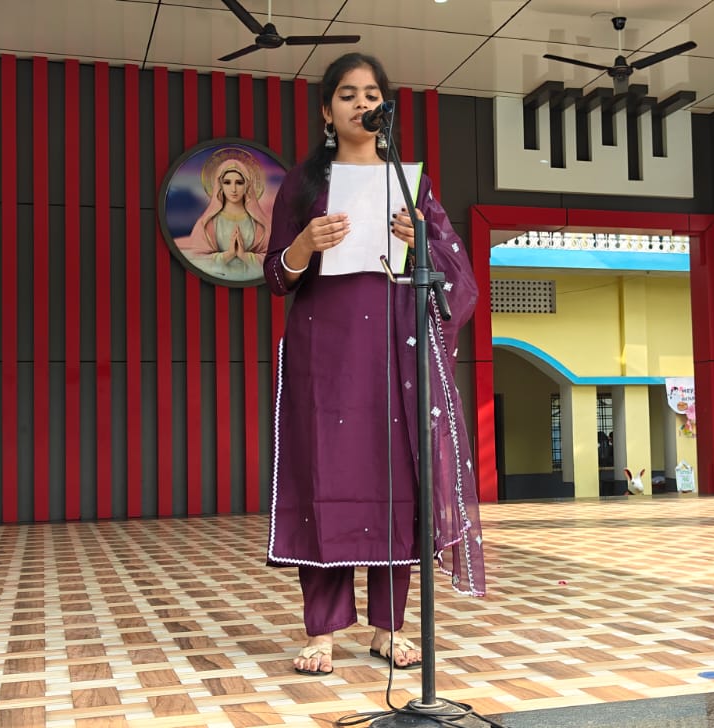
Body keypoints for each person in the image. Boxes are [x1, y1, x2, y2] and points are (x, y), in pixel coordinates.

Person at [263, 52, 485, 678]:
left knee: (396, 480)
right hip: (325, 356)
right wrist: (304, 244)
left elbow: (452, 267)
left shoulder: (412, 185)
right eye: (348, 94)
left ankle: (390, 629)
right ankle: (322, 632)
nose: (362, 104)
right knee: (323, 478)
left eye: (371, 94)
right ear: (326, 111)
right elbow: (275, 275)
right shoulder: (304, 184)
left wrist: (424, 240)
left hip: (396, 349)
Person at [180, 147, 272, 281]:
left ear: (247, 185)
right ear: (220, 186)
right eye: (227, 182)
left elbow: (273, 259)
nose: (233, 189)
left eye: (239, 183)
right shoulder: (207, 224)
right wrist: (227, 255)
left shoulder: (260, 224)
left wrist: (245, 256)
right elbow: (196, 259)